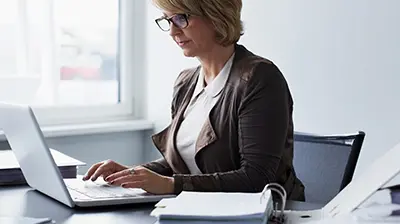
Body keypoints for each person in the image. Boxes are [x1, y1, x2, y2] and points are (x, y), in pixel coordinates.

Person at [83, 0, 305, 201]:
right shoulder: (186, 82)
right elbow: (181, 164)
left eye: (181, 18)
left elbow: (256, 178)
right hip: (202, 208)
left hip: (257, 214)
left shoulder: (259, 78)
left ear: (216, 15)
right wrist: (131, 173)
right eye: (167, 20)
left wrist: (171, 185)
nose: (172, 31)